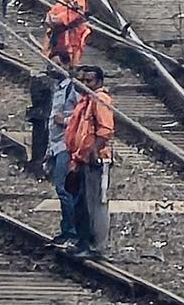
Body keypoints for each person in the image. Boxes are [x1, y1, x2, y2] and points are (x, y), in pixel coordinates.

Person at [65, 65, 114, 259]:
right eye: (83, 81)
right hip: (82, 159)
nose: (85, 84)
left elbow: (105, 130)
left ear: (99, 82)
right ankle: (83, 241)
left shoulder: (100, 99)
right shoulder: (87, 100)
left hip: (94, 161)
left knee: (93, 203)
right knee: (82, 203)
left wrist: (94, 151)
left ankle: (94, 246)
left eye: (90, 81)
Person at [45, 59, 79, 248]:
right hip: (57, 145)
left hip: (68, 146)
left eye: (57, 63)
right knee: (62, 190)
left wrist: (64, 120)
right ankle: (67, 230)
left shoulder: (73, 88)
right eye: (51, 63)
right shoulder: (59, 88)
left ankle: (72, 232)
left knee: (64, 189)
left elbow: (82, 115)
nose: (52, 67)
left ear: (68, 66)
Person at [45, 0, 91, 66]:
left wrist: (53, 19)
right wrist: (52, 18)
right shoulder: (65, 0)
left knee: (69, 70)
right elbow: (49, 15)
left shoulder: (79, 3)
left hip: (71, 45)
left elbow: (58, 21)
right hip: (59, 43)